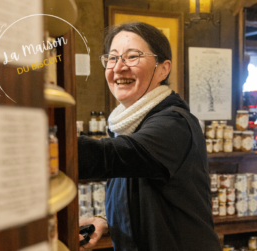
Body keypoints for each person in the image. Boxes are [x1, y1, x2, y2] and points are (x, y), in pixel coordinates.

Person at [78, 22, 221, 251]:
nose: (119, 67)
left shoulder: (175, 124)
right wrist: (104, 221)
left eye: (132, 56)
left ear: (163, 69)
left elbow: (111, 157)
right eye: (112, 58)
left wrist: (41, 143)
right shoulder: (127, 125)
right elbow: (139, 195)